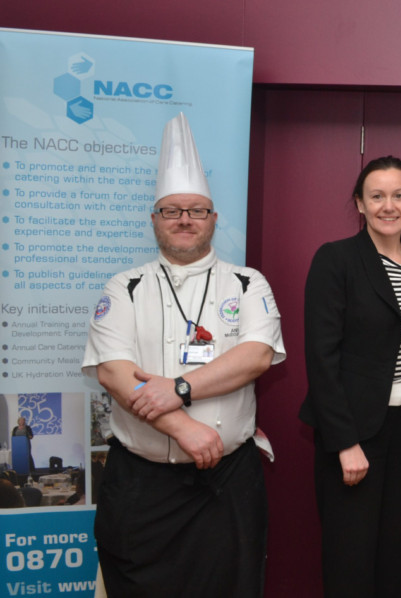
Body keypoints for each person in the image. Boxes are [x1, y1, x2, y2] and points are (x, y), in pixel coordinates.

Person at [81, 113, 286, 597]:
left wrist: (179, 388)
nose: (185, 220)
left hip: (226, 485)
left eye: (196, 210)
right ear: (155, 220)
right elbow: (113, 371)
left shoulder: (247, 282)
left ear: (214, 219)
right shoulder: (125, 287)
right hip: (140, 488)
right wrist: (184, 427)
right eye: (172, 211)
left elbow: (256, 355)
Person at [299, 156, 401, 597]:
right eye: (376, 196)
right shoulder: (336, 259)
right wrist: (344, 443)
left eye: (398, 196)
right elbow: (320, 359)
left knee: (394, 550)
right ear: (359, 204)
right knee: (350, 558)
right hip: (353, 430)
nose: (388, 206)